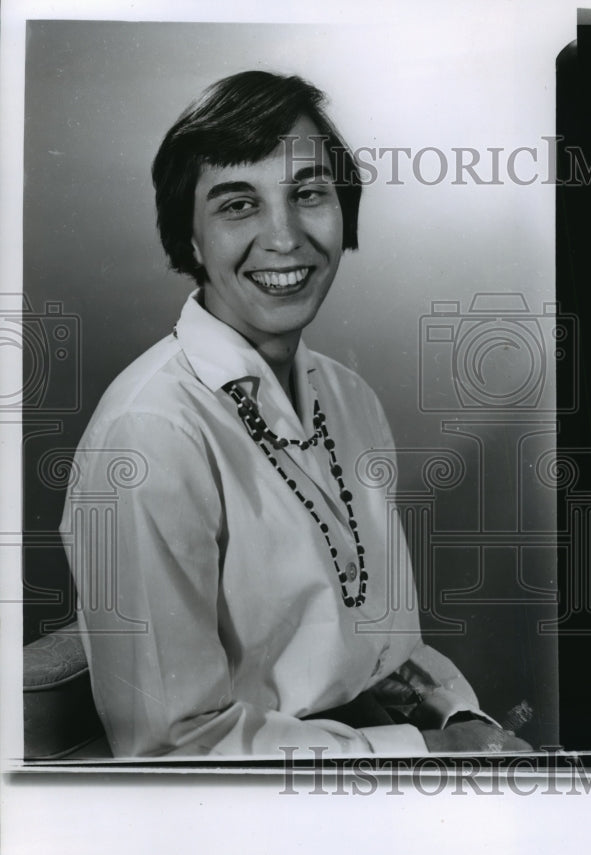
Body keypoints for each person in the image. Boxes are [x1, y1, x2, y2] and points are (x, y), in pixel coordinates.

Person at [61, 70, 531, 759]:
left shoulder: (349, 398)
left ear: (344, 214)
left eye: (308, 195)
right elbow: (173, 750)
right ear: (189, 239)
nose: (284, 239)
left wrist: (463, 722)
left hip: (371, 766)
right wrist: (424, 755)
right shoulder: (151, 435)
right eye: (237, 205)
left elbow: (379, 649)